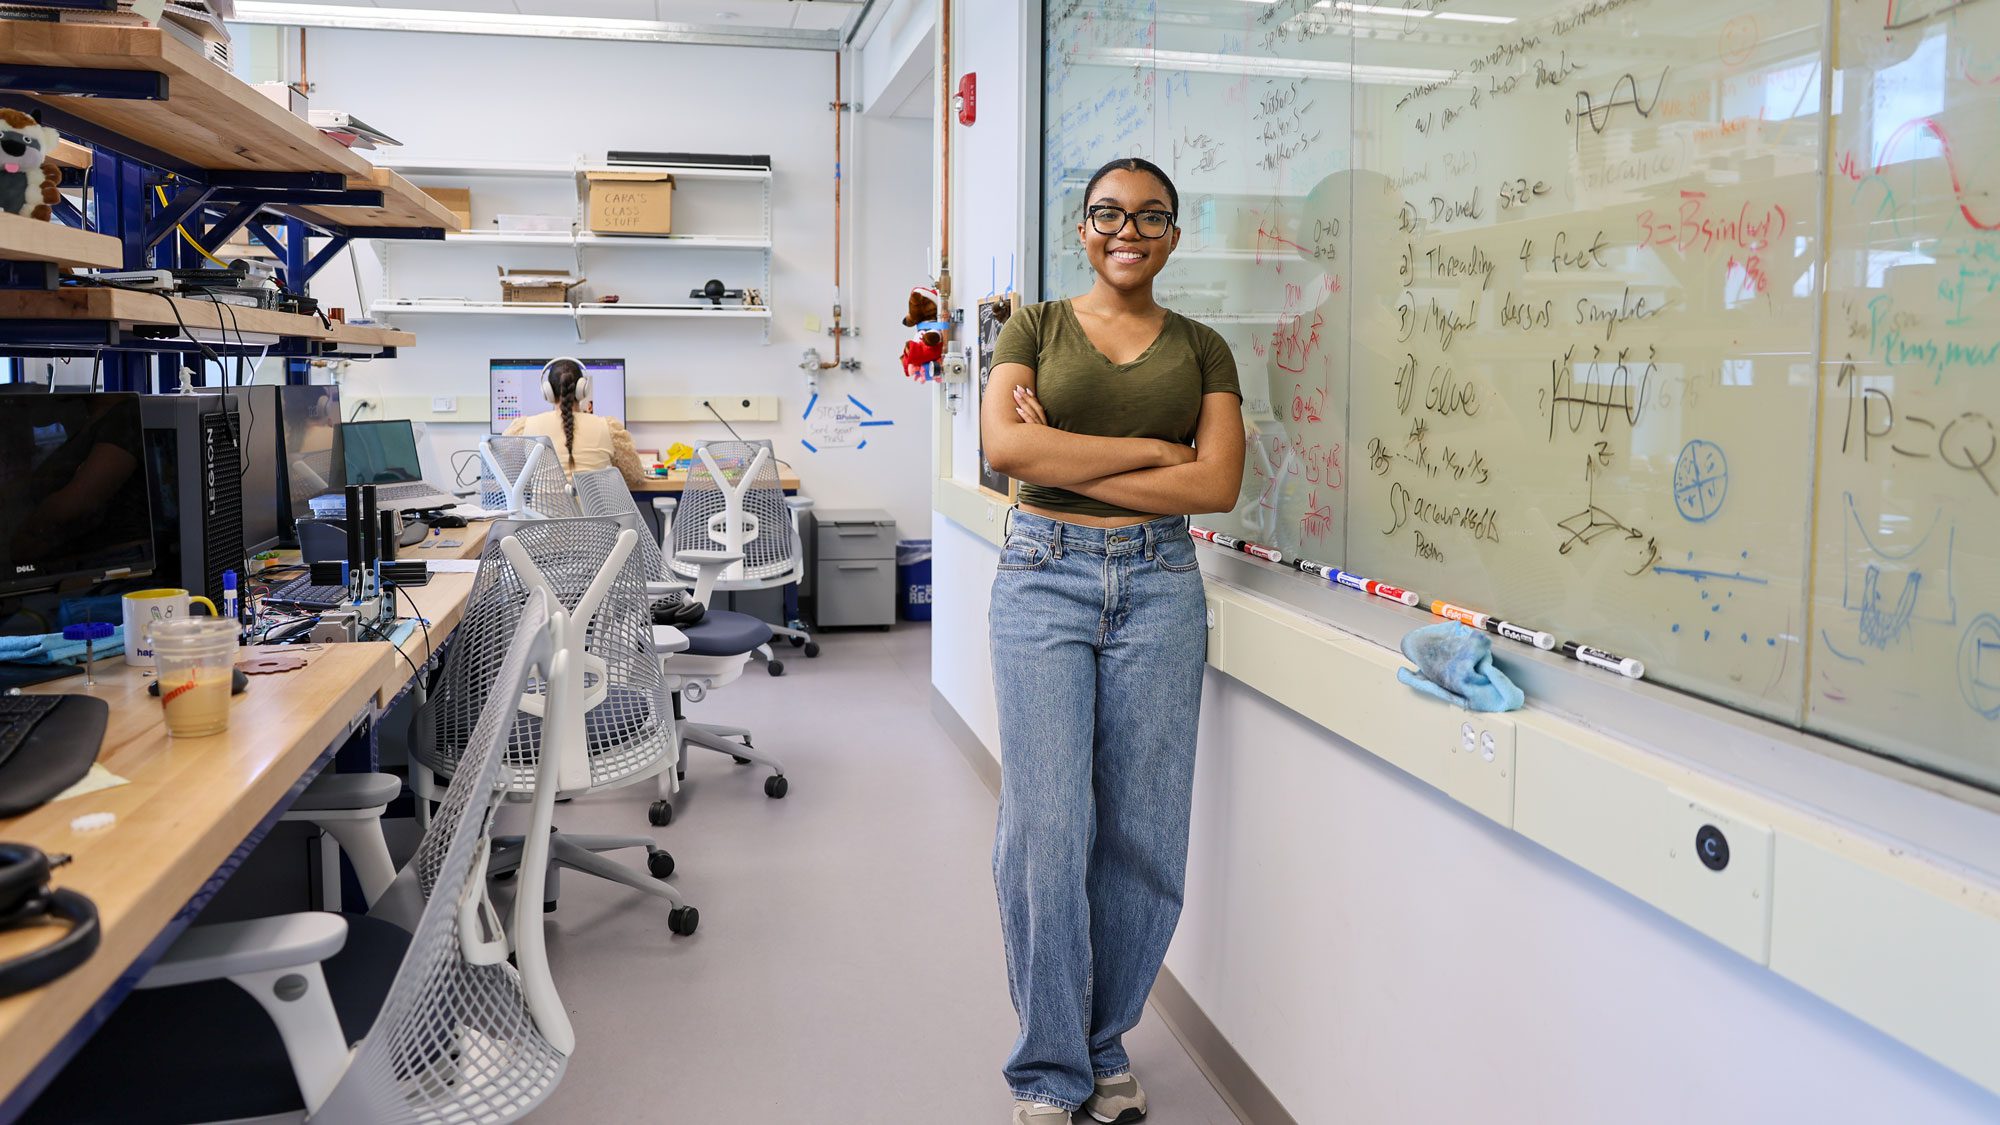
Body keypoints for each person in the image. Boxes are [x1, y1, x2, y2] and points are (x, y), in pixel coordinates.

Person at [980, 156, 1246, 1125]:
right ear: (1081, 228)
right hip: (1042, 576)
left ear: (1174, 233)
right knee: (1046, 829)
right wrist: (1153, 452)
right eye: (1107, 213)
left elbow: (1215, 485)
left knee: (1143, 834)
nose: (1125, 230)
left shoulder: (1204, 348)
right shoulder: (1035, 328)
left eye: (1148, 215)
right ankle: (1049, 1067)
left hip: (1160, 583)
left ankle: (1102, 1044)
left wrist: (1069, 456)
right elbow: (1006, 451)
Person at [503, 358, 648, 487]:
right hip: (594, 510)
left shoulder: (525, 427)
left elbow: (504, 472)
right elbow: (635, 477)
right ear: (583, 390)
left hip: (543, 510)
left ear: (548, 392)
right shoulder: (609, 427)